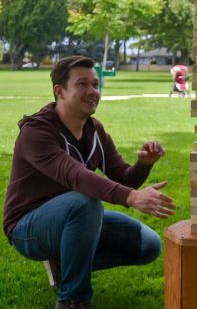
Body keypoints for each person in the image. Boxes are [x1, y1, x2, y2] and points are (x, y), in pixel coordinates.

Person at [3, 56, 176, 309]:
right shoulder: (36, 132)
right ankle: (73, 300)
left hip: (75, 217)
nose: (92, 91)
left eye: (95, 84)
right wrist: (130, 197)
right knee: (85, 201)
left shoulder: (95, 130)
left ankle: (67, 262)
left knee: (148, 245)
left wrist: (144, 164)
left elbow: (124, 177)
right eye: (82, 84)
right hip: (28, 226)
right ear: (59, 91)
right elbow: (74, 175)